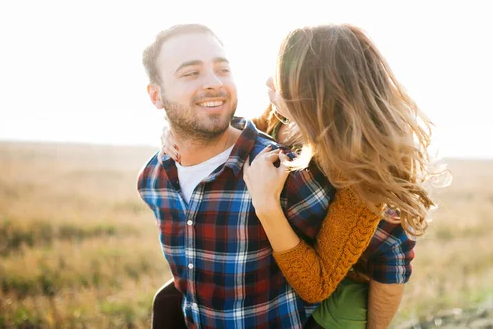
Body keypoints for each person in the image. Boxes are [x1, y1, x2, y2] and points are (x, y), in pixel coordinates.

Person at [155, 24, 441, 328]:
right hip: (306, 249)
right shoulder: (285, 118)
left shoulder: (361, 176)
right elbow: (247, 131)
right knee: (168, 300)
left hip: (355, 279)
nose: (268, 82)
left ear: (316, 94)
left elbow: (318, 283)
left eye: (281, 80)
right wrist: (183, 133)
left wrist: (267, 206)